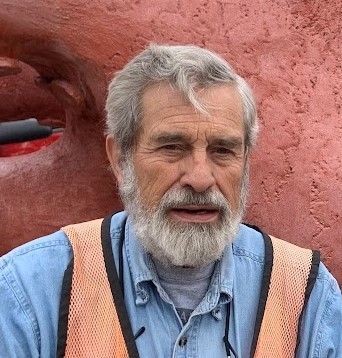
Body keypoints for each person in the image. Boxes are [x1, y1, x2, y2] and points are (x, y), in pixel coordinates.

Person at [0, 44, 341, 358]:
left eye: (223, 150)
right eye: (172, 148)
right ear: (120, 160)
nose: (201, 178)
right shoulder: (29, 292)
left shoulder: (307, 296)